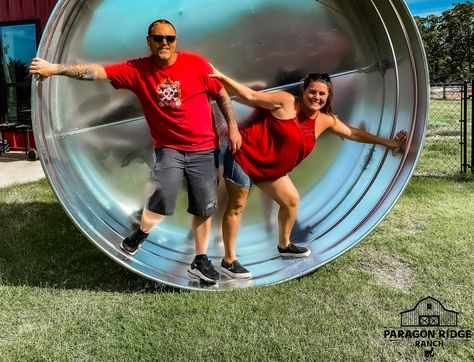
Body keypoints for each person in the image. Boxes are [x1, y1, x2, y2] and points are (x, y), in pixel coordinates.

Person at [29, 19, 241, 284]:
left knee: (204, 206)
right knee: (164, 194)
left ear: (176, 41)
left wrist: (233, 127)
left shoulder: (196, 63)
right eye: (159, 38)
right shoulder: (137, 69)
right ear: (149, 41)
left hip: (204, 148)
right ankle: (141, 233)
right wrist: (55, 69)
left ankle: (200, 260)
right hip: (170, 148)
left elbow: (221, 94)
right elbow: (96, 71)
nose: (165, 43)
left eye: (170, 38)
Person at [209, 68, 407, 280]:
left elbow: (353, 133)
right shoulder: (286, 102)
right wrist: (222, 77)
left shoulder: (325, 120)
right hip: (244, 157)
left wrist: (388, 143)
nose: (316, 97)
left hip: (270, 169)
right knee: (237, 206)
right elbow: (252, 96)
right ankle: (228, 261)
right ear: (303, 92)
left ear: (328, 96)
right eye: (312, 92)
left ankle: (284, 246)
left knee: (291, 201)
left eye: (322, 94)